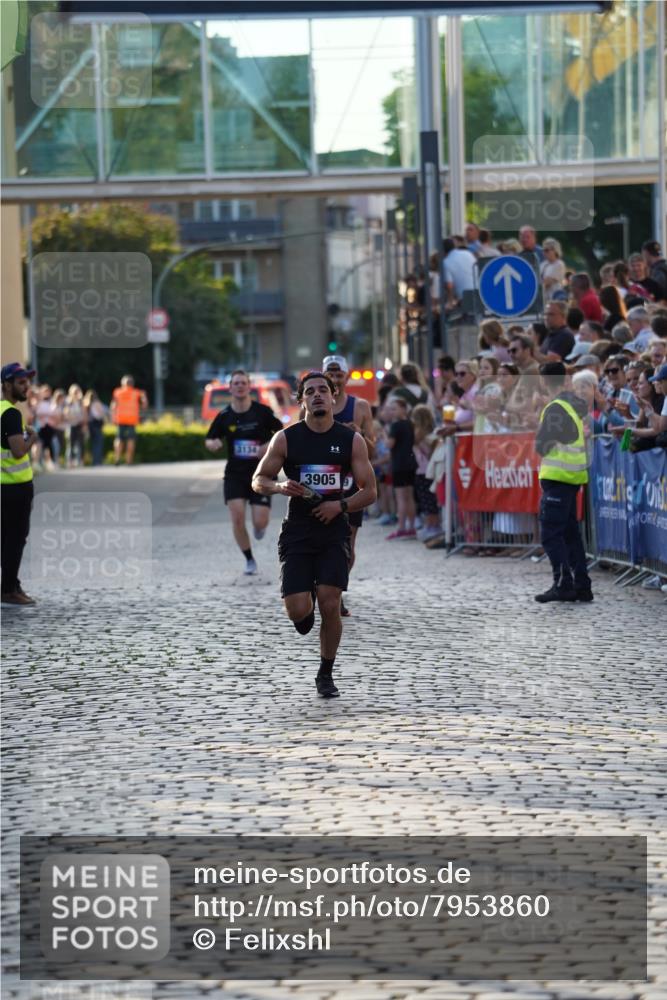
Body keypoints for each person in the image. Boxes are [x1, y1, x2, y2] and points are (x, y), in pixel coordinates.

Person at [252, 371, 376, 698]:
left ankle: (325, 673)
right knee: (297, 610)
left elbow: (371, 490)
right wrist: (278, 486)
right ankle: (303, 616)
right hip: (298, 531)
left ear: (334, 397)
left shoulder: (351, 440)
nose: (318, 395)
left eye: (324, 390)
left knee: (330, 601)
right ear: (302, 400)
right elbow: (258, 480)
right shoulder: (287, 438)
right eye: (311, 391)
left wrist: (342, 506)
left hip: (334, 530)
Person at [205, 369, 283, 576]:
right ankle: (249, 559)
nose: (240, 386)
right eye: (236, 383)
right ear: (230, 388)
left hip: (262, 473)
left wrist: (267, 446)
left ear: (249, 387)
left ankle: (259, 527)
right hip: (235, 474)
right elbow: (210, 437)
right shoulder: (224, 416)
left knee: (260, 521)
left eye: (243, 383)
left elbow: (282, 433)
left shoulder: (262, 412)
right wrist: (212, 443)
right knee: (237, 517)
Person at [534, 361, 592, 604]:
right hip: (571, 477)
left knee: (550, 534)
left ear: (544, 382)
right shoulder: (570, 406)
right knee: (570, 535)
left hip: (558, 477)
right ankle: (581, 585)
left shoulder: (555, 408)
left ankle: (563, 583)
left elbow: (542, 445)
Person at [322, 354, 376, 616]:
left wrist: (361, 434)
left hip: (351, 484)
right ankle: (322, 586)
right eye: (329, 374)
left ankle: (336, 592)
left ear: (346, 376)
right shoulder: (313, 405)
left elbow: (374, 451)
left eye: (338, 374)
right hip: (322, 484)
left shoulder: (361, 407)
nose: (334, 378)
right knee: (320, 541)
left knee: (348, 546)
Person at [1, 363, 38, 606]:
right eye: (21, 382)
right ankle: (8, 590)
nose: (27, 386)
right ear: (6, 385)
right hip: (14, 487)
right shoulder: (12, 414)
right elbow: (17, 452)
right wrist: (32, 437)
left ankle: (11, 584)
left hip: (5, 487)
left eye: (27, 381)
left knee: (7, 538)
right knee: (15, 539)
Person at [385, 396, 417, 540]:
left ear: (403, 409)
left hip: (399, 464)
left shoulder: (395, 425)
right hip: (410, 463)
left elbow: (389, 445)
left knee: (401, 498)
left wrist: (383, 435)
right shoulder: (410, 424)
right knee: (409, 497)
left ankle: (401, 527)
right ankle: (411, 527)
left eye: (394, 408)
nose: (392, 412)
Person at [111, 375, 147, 465]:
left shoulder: (117, 392)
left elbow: (113, 406)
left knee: (119, 439)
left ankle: (117, 458)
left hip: (120, 419)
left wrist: (112, 417)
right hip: (132, 419)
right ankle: (129, 460)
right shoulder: (137, 392)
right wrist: (144, 396)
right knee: (131, 440)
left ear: (122, 383)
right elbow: (144, 405)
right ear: (132, 384)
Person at [83, 389, 107, 466]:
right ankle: (97, 461)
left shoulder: (86, 404)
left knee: (93, 443)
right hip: (96, 424)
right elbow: (102, 413)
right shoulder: (97, 403)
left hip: (90, 424)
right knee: (98, 443)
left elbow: (86, 416)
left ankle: (94, 461)